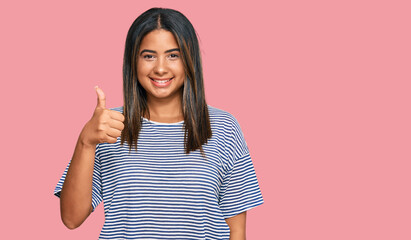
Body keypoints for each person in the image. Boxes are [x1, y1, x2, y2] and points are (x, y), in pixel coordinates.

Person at [54, 7, 264, 239]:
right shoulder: (108, 127)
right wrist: (86, 140)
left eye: (173, 55)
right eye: (149, 56)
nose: (161, 68)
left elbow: (237, 231)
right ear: (133, 61)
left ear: (189, 60)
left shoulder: (223, 128)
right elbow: (71, 218)